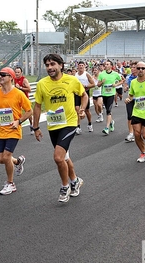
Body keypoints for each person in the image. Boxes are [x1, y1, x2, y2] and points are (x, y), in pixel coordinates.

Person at [33, 53, 88, 203]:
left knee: (58, 157)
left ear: (61, 65)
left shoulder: (71, 80)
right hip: (53, 125)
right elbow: (37, 106)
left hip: (69, 123)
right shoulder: (42, 84)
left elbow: (84, 95)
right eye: (47, 65)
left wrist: (82, 109)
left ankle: (65, 186)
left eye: (52, 64)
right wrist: (35, 127)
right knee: (64, 157)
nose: (50, 68)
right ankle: (75, 181)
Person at [0, 67, 32, 195]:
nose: (0, 77)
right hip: (1, 130)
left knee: (6, 156)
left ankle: (10, 183)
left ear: (11, 78)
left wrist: (18, 121)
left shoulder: (18, 94)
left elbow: (29, 111)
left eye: (3, 75)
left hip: (13, 130)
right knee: (0, 159)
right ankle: (18, 161)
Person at [97, 60, 123, 135]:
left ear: (111, 66)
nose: (106, 65)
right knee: (107, 111)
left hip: (111, 94)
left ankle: (107, 128)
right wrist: (102, 82)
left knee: (108, 110)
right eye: (105, 64)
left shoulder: (115, 74)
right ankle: (111, 122)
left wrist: (116, 85)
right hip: (104, 94)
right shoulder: (101, 74)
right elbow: (98, 84)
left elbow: (122, 81)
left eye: (107, 64)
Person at [75, 61, 95, 132]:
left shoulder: (87, 74)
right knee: (77, 109)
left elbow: (93, 84)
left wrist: (86, 86)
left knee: (86, 110)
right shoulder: (75, 74)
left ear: (84, 66)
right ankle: (78, 126)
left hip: (85, 94)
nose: (81, 67)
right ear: (78, 66)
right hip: (77, 93)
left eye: (82, 65)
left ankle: (89, 124)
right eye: (79, 65)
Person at [14, 66, 33, 134]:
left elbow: (29, 89)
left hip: (25, 99)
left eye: (18, 72)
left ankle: (31, 124)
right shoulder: (14, 79)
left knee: (28, 112)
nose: (17, 74)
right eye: (16, 72)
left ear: (21, 73)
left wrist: (21, 88)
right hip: (17, 99)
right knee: (16, 112)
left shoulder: (24, 80)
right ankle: (17, 125)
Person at [124, 61, 138, 142]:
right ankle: (131, 133)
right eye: (131, 67)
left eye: (134, 67)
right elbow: (126, 86)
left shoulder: (141, 78)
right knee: (130, 116)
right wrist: (125, 88)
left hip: (139, 100)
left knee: (139, 117)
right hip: (130, 99)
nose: (132, 69)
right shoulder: (128, 77)